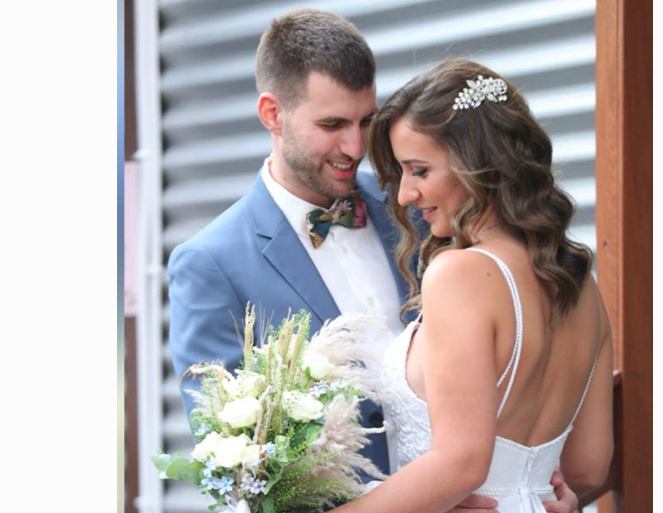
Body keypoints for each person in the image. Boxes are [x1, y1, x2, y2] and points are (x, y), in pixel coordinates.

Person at [168, 8, 579, 513]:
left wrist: (532, 487)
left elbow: (516, 348)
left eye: (366, 121)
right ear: (272, 114)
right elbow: (235, 476)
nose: (357, 147)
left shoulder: (421, 204)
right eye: (332, 124)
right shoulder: (210, 265)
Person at [328, 58, 615, 513]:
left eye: (419, 170)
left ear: (479, 164)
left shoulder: (459, 275)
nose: (404, 195)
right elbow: (588, 469)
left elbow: (461, 465)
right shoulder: (581, 288)